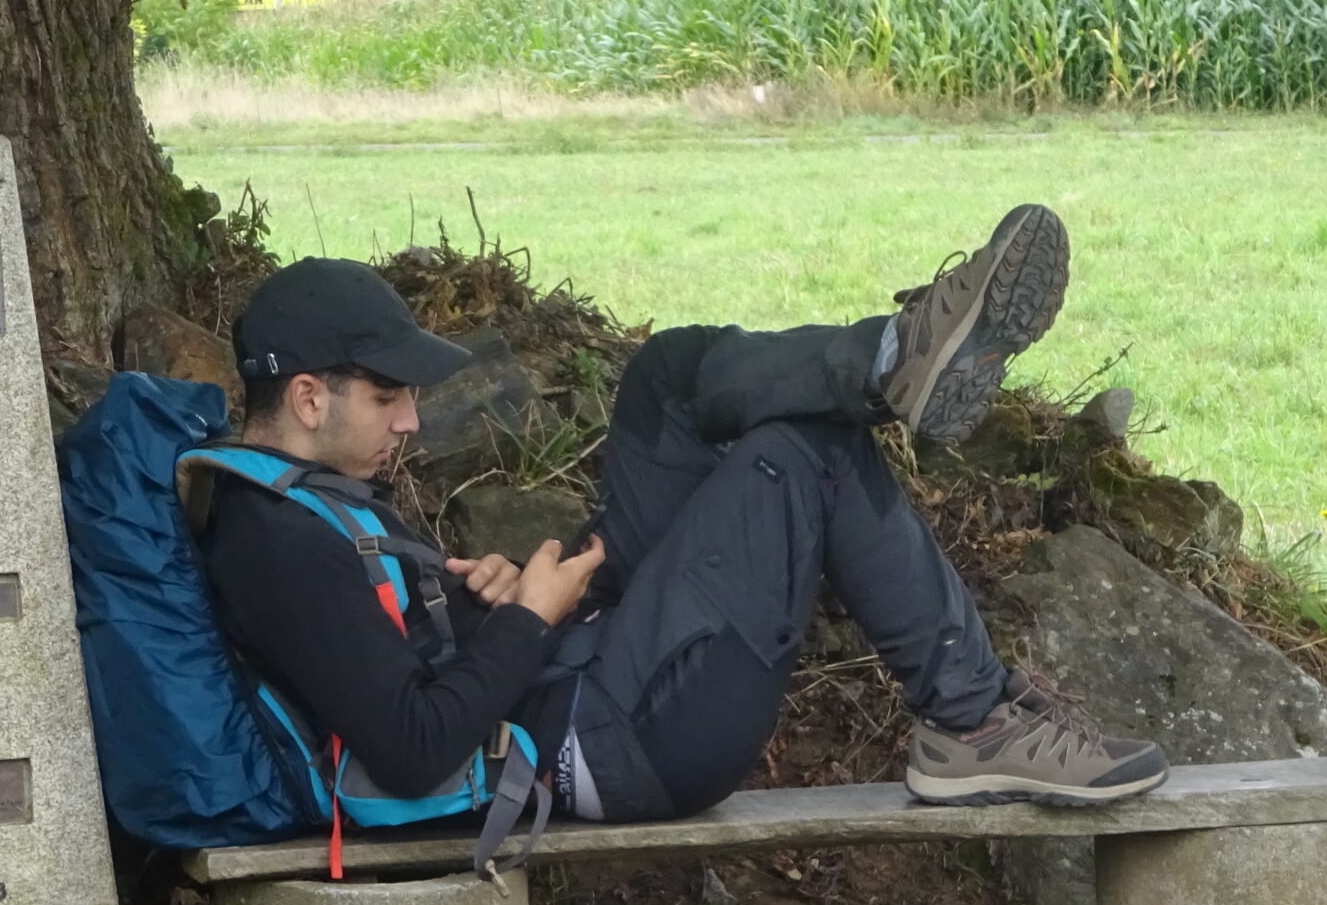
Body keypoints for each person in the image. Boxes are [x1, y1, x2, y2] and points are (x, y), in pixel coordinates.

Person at [200, 205, 1166, 828]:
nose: (412, 421)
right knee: (808, 457)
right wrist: (527, 622)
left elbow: (391, 668)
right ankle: (976, 719)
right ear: (311, 399)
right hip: (616, 741)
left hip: (588, 672)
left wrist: (482, 614)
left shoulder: (307, 506)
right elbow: (412, 753)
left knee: (667, 375)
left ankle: (891, 358)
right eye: (388, 399)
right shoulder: (273, 541)